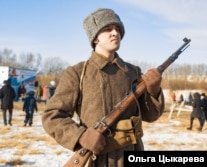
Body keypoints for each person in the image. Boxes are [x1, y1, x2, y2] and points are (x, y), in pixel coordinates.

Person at [42, 8, 165, 167]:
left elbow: (150, 116)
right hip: (97, 158)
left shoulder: (133, 72)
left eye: (118, 29)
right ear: (95, 38)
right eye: (108, 29)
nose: (115, 33)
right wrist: (80, 136)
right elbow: (52, 116)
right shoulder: (77, 73)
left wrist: (153, 91)